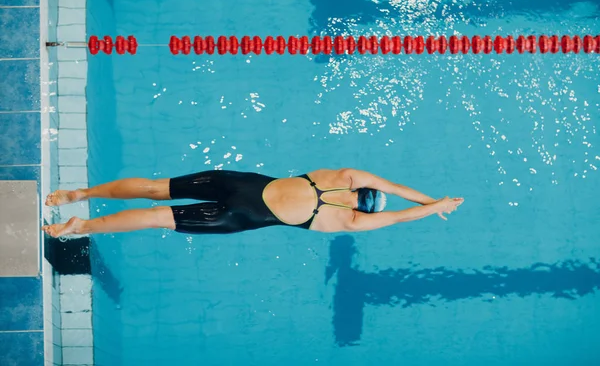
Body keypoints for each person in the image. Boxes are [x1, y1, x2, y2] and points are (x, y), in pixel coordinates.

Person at [42, 168, 463, 238]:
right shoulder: (350, 222)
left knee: (155, 188)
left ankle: (80, 194)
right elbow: (403, 214)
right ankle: (80, 225)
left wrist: (435, 198)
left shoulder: (345, 176)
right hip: (239, 214)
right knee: (157, 218)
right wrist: (435, 208)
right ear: (365, 206)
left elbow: (398, 190)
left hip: (239, 183)